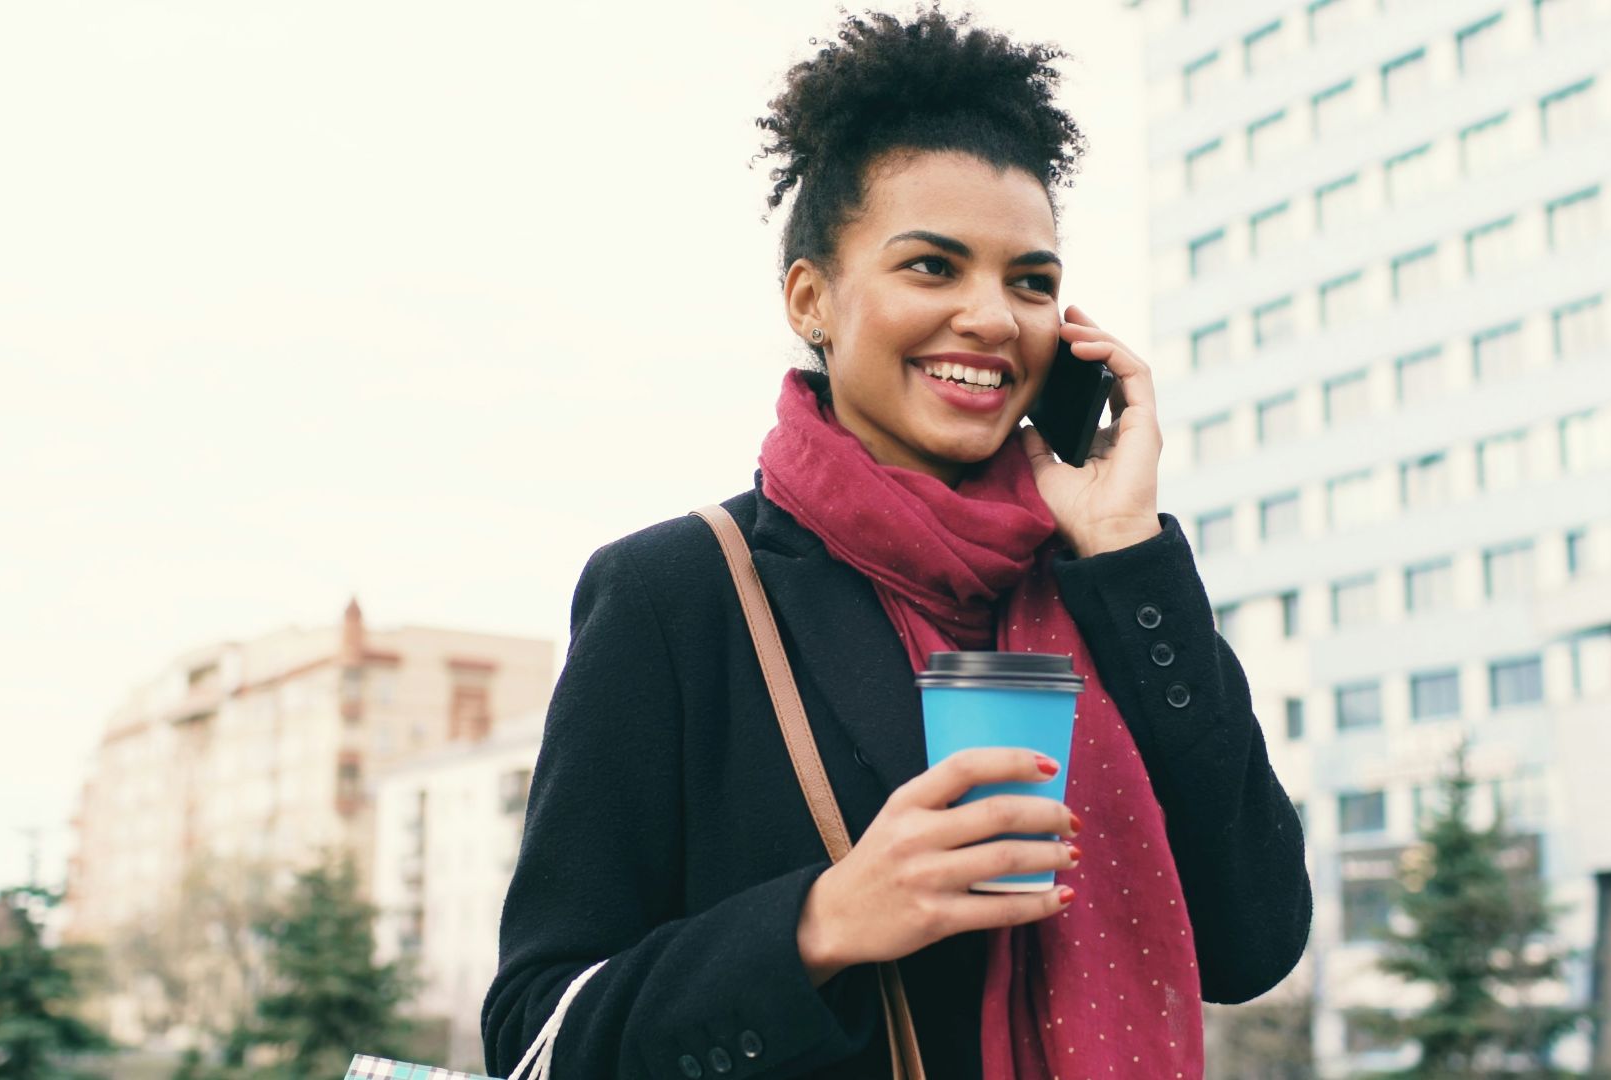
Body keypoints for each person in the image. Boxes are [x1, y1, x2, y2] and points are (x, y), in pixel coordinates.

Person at [481, 7, 1311, 1078]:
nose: (992, 318)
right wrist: (820, 924)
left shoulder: (1107, 587)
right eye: (932, 267)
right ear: (812, 298)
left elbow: (1253, 940)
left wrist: (1126, 550)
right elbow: (536, 1032)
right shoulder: (676, 592)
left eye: (1032, 281)